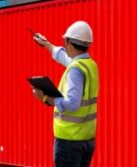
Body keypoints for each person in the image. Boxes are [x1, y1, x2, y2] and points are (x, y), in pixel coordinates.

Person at [32, 21, 100, 167]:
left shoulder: (75, 69)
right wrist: (46, 44)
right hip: (86, 139)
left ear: (69, 43)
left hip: (70, 141)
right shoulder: (89, 65)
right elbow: (66, 58)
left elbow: (73, 104)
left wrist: (46, 98)